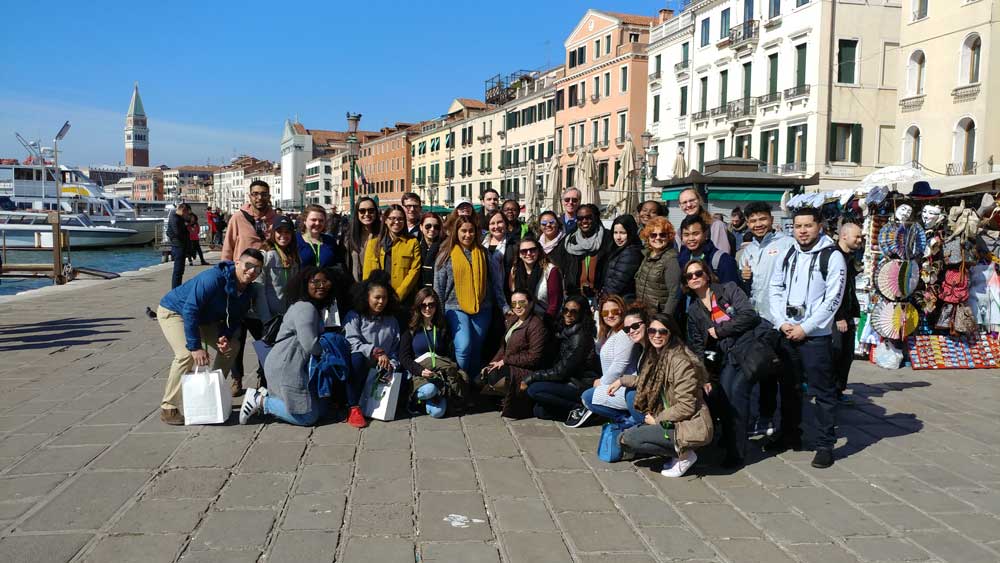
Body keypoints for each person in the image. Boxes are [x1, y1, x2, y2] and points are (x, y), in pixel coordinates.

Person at [767, 206, 847, 469]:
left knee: (823, 392)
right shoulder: (789, 251)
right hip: (788, 331)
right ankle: (790, 434)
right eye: (798, 226)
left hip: (816, 337)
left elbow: (834, 298)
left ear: (819, 226)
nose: (802, 231)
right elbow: (775, 287)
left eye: (807, 226)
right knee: (788, 388)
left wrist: (808, 327)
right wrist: (781, 321)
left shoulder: (832, 256)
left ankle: (825, 444)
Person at [156, 249, 264, 425]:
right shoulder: (213, 278)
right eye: (249, 265)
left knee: (232, 347)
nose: (252, 271)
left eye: (257, 269)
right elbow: (190, 310)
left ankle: (211, 391)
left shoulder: (248, 290)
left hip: (205, 319)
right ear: (237, 263)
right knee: (185, 355)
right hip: (176, 312)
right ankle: (169, 407)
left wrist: (225, 336)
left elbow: (235, 317)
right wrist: (195, 347)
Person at [240, 266, 351, 426]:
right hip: (286, 366)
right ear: (305, 284)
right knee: (308, 418)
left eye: (325, 281)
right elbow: (310, 345)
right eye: (315, 282)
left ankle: (278, 403)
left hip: (295, 364)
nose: (321, 285)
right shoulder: (305, 308)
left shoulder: (314, 307)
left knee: (322, 410)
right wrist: (330, 349)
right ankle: (260, 401)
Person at [616, 314, 714, 478]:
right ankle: (674, 452)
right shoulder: (656, 354)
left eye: (663, 331)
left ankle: (685, 455)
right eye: (652, 331)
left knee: (628, 439)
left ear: (671, 334)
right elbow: (648, 381)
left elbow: (686, 406)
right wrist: (622, 381)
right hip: (671, 417)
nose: (656, 335)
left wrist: (658, 420)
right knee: (631, 400)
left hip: (689, 425)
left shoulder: (680, 361)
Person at [683, 258, 759, 467]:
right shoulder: (694, 311)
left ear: (707, 275)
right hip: (723, 359)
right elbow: (698, 346)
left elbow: (749, 316)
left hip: (746, 351)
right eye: (690, 276)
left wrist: (720, 330)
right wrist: (703, 376)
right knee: (724, 397)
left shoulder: (728, 290)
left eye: (698, 273)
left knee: (737, 396)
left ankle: (737, 453)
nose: (695, 278)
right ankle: (731, 441)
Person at [734, 202, 795, 437]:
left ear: (771, 219)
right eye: (753, 221)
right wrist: (744, 277)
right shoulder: (747, 251)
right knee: (758, 369)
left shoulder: (786, 245)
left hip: (778, 319)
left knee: (777, 373)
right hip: (755, 319)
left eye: (762, 219)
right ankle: (759, 416)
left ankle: (772, 418)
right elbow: (745, 287)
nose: (758, 224)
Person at [434, 215, 508, 377]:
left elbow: (495, 282)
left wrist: (504, 306)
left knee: (476, 347)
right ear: (456, 232)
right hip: (455, 308)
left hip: (483, 307)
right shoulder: (445, 255)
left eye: (471, 231)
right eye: (464, 231)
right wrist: (437, 315)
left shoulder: (483, 253)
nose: (468, 235)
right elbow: (438, 288)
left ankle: (473, 383)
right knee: (464, 346)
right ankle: (460, 379)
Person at [523, 295, 600, 421]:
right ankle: (576, 411)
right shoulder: (565, 331)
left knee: (534, 389)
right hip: (567, 380)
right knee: (539, 410)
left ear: (582, 314)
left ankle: (581, 409)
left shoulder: (579, 338)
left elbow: (561, 372)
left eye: (574, 311)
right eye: (565, 310)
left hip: (578, 384)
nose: (568, 315)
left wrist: (531, 377)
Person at [566, 296, 639, 427]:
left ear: (622, 311)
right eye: (605, 313)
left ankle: (625, 419)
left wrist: (601, 383)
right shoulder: (610, 332)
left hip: (623, 386)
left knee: (587, 398)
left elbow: (618, 367)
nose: (610, 315)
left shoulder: (625, 336)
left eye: (615, 311)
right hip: (610, 383)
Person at [344, 271, 402, 428]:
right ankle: (353, 406)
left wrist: (392, 363)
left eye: (384, 298)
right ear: (367, 297)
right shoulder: (354, 316)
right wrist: (375, 351)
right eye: (377, 297)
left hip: (382, 371)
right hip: (360, 366)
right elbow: (351, 342)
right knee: (356, 357)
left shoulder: (392, 321)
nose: (381, 302)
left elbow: (396, 349)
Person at [399, 288, 466, 418]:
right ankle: (414, 399)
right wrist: (420, 370)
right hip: (419, 374)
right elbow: (404, 357)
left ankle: (429, 400)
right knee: (430, 390)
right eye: (423, 305)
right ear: (418, 306)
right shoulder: (410, 328)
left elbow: (447, 354)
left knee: (437, 413)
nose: (428, 309)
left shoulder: (442, 327)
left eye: (431, 305)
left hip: (438, 375)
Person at [482, 289, 549, 418]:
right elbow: (503, 347)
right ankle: (504, 398)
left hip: (527, 370)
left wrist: (506, 361)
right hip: (512, 363)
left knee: (494, 378)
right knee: (483, 376)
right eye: (514, 304)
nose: (517, 306)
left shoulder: (537, 325)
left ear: (530, 303)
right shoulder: (513, 320)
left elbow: (534, 358)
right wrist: (492, 364)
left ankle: (518, 401)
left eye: (522, 303)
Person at [363, 204, 422, 305]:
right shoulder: (373, 243)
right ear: (385, 220)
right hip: (378, 299)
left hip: (403, 299)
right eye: (392, 218)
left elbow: (414, 271)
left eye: (400, 219)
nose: (397, 222)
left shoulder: (412, 242)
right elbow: (367, 273)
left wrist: (398, 295)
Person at [553, 204, 612, 302]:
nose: (584, 221)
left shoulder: (608, 238)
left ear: (596, 218)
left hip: (600, 297)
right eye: (580, 218)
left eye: (588, 218)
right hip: (574, 296)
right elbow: (558, 265)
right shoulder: (569, 240)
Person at [833, 222, 863, 404]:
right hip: (838, 316)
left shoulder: (849, 257)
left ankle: (838, 390)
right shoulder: (836, 257)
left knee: (847, 354)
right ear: (844, 236)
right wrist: (839, 316)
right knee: (836, 353)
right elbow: (835, 291)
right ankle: (831, 392)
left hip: (848, 313)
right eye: (857, 237)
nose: (860, 240)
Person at [635, 216, 683, 315]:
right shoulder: (647, 255)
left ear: (669, 236)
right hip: (644, 311)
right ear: (648, 237)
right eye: (653, 235)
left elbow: (674, 294)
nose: (658, 238)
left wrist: (664, 319)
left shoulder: (671, 260)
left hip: (658, 316)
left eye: (662, 235)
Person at [222, 180, 276, 262]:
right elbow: (228, 247)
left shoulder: (277, 219)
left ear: (269, 197)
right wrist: (225, 269)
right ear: (250, 196)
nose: (260, 198)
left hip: (270, 270)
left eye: (264, 194)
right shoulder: (238, 218)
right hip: (244, 271)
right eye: (255, 194)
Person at [509, 237, 562, 319]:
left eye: (533, 249)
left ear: (538, 251)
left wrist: (545, 323)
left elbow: (554, 304)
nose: (529, 253)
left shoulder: (550, 271)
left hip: (544, 318)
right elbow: (513, 297)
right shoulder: (515, 271)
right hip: (521, 318)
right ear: (519, 254)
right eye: (524, 251)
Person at [677, 215, 739, 285]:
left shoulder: (723, 260)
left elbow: (732, 293)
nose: (691, 238)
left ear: (705, 234)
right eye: (686, 235)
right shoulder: (682, 258)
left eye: (695, 234)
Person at [600, 215, 644, 301]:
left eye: (623, 233)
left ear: (631, 233)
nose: (618, 237)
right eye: (615, 233)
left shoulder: (630, 253)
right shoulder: (618, 249)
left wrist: (603, 300)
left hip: (621, 301)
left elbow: (617, 284)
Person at [677, 188, 731, 255]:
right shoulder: (680, 231)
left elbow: (722, 257)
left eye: (692, 200)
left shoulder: (716, 225)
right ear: (680, 206)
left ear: (699, 200)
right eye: (684, 202)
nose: (689, 205)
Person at [345, 197, 382, 282]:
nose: (366, 214)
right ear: (357, 213)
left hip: (376, 287)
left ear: (376, 213)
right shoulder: (348, 236)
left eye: (371, 210)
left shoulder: (383, 235)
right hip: (354, 288)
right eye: (362, 211)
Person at [297, 204, 343, 270]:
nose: (317, 223)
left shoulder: (330, 241)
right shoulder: (295, 240)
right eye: (313, 220)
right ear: (305, 220)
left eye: (321, 220)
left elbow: (338, 264)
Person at [483, 210, 518, 275]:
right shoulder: (481, 242)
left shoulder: (514, 244)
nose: (496, 226)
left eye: (499, 222)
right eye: (492, 223)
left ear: (506, 223)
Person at [166, 203, 191, 289]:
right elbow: (177, 233)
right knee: (178, 271)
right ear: (183, 210)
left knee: (180, 270)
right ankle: (175, 290)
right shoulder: (175, 218)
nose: (187, 215)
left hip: (180, 245)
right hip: (178, 246)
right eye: (187, 213)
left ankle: (177, 288)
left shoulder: (179, 218)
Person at [418, 212, 443, 289]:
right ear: (421, 227)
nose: (432, 229)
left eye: (436, 227)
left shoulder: (445, 246)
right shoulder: (416, 244)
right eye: (428, 226)